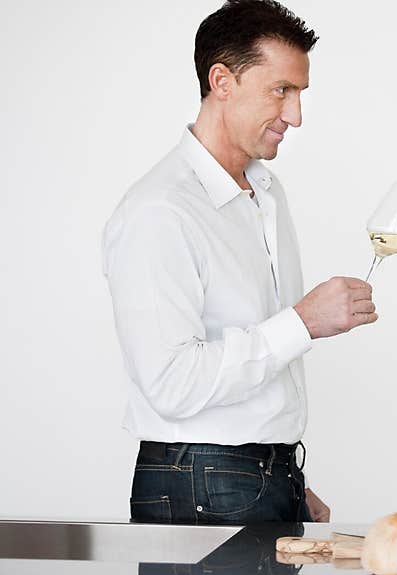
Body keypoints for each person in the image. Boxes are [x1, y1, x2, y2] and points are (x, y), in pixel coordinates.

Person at [102, 0, 377, 526]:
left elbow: (248, 381)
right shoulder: (159, 212)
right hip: (200, 480)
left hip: (255, 475)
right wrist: (301, 323)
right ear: (222, 80)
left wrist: (285, 478)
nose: (295, 116)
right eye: (282, 91)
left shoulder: (267, 194)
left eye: (299, 94)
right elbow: (172, 384)